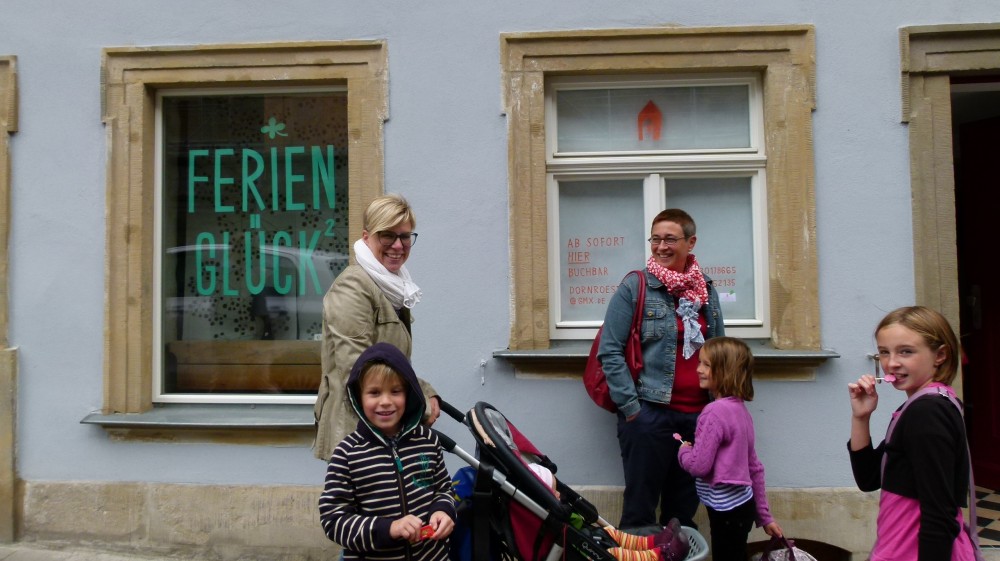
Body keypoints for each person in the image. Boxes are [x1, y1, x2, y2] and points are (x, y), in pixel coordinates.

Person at [597, 208, 725, 530]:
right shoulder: (635, 286)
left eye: (670, 239)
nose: (661, 247)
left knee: (681, 515)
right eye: (656, 239)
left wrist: (720, 408)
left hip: (698, 419)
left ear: (690, 242)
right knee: (640, 513)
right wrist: (631, 409)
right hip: (648, 415)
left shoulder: (706, 290)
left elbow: (720, 351)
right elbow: (609, 351)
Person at [314, 193, 441, 461]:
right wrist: (420, 399)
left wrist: (426, 390)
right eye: (388, 236)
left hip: (383, 428)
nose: (398, 245)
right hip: (355, 433)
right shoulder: (354, 287)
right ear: (366, 236)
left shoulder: (392, 287)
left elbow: (391, 361)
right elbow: (360, 367)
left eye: (405, 236)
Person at [848, 306, 978, 561]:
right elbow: (869, 478)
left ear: (940, 355)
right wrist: (861, 417)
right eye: (884, 352)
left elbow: (939, 513)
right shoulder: (919, 406)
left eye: (906, 351)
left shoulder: (926, 413)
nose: (891, 363)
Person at [318, 342, 455, 561]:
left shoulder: (428, 441)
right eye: (374, 392)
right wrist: (388, 528)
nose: (385, 402)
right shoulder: (347, 454)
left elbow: (444, 489)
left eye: (395, 391)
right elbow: (334, 520)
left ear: (408, 395)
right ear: (358, 398)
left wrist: (443, 511)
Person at [676, 337, 783, 561]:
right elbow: (755, 468)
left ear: (725, 370)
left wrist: (684, 451)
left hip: (725, 512)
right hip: (743, 507)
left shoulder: (713, 412)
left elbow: (698, 466)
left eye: (706, 364)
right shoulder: (741, 411)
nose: (698, 369)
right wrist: (765, 516)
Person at [527, 462, 690, 561]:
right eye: (554, 492)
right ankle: (660, 557)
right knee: (613, 554)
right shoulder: (546, 519)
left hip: (584, 539)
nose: (559, 495)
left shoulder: (555, 512)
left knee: (610, 533)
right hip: (578, 551)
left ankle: (652, 542)